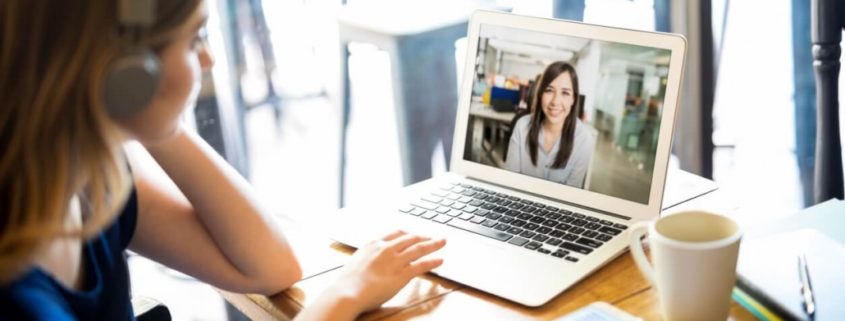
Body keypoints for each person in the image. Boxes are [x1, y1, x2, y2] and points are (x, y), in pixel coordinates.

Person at [0, 1, 445, 320]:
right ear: (128, 70)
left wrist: (151, 115)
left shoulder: (92, 183)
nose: (209, 59)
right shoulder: (19, 296)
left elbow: (268, 265)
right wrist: (345, 294)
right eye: (195, 39)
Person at [504, 62, 596, 188]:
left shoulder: (584, 140)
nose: (555, 101)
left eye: (565, 93)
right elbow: (509, 181)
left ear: (573, 99)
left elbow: (571, 195)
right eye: (549, 90)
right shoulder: (522, 127)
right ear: (541, 94)